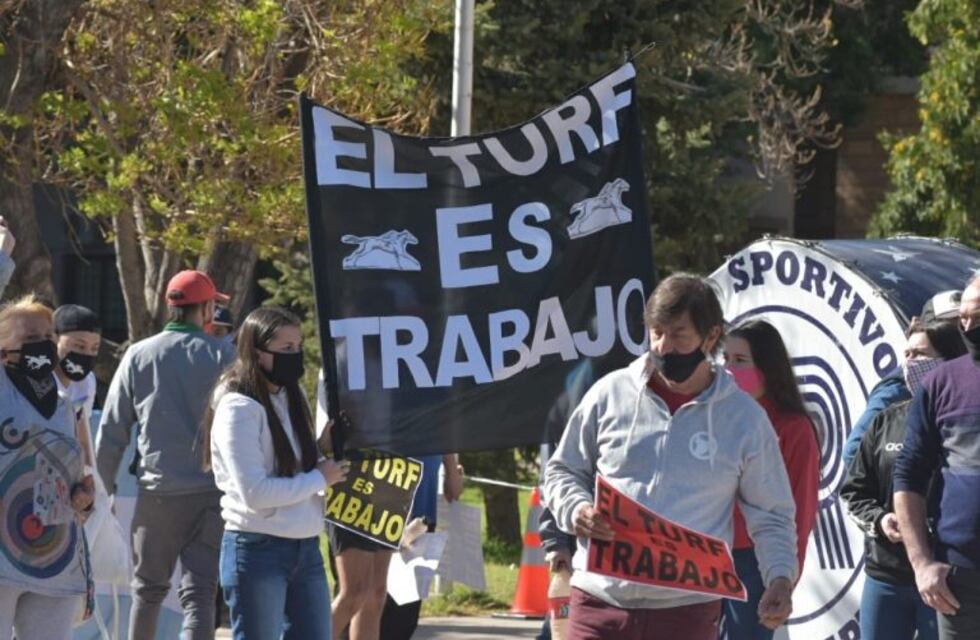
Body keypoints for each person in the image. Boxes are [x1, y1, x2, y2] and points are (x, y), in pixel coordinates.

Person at [543, 273, 798, 640]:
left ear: (711, 337)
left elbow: (772, 515)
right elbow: (563, 470)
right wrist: (576, 509)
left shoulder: (744, 420)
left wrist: (780, 578)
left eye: (678, 335)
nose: (663, 347)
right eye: (656, 332)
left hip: (686, 613)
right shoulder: (609, 394)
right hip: (598, 602)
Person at [95, 269, 235, 640]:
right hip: (212, 494)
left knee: (148, 590)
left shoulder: (139, 355)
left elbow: (111, 430)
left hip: (157, 495)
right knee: (200, 593)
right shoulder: (225, 355)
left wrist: (100, 489)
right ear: (205, 308)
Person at [202, 306, 349, 639]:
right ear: (257, 352)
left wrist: (320, 447)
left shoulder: (288, 396)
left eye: (298, 347)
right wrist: (319, 478)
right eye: (286, 349)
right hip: (258, 549)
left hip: (305, 546)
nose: (295, 356)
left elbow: (288, 464)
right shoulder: (237, 407)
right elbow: (256, 493)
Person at [0, 218, 96, 640]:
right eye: (30, 336)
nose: (43, 343)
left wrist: (85, 497)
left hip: (56, 556)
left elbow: (76, 474)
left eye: (48, 335)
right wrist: (3, 257)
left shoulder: (61, 402)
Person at [841, 317, 966, 640]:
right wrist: (881, 520)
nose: (909, 364)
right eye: (906, 354)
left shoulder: (965, 422)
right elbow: (854, 491)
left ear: (952, 361)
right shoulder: (886, 420)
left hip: (946, 577)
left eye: (921, 355)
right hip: (886, 574)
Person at [722, 320, 820, 640]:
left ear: (766, 366)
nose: (728, 369)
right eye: (725, 359)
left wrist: (784, 580)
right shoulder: (718, 419)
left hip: (756, 563)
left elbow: (801, 513)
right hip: (708, 559)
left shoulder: (794, 428)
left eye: (740, 361)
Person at [895, 275, 980, 640]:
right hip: (960, 578)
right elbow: (908, 475)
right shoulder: (940, 384)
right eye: (962, 318)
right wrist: (922, 563)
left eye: (977, 317)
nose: (967, 327)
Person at [843, 289, 962, 468]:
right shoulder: (899, 388)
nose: (965, 332)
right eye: (952, 326)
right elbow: (854, 451)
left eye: (971, 322)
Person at [377, 453, 464, 640]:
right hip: (378, 518)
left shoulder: (438, 427)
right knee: (365, 605)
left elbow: (454, 490)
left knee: (404, 616)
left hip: (419, 524)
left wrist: (451, 467)